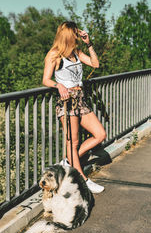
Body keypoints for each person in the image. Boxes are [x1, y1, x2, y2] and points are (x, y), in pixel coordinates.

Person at [43, 21, 106, 194]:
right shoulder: (55, 54)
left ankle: (69, 160)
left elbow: (95, 64)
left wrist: (89, 43)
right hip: (67, 101)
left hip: (81, 99)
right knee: (73, 141)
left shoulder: (77, 52)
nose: (78, 36)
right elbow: (45, 79)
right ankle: (83, 180)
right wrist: (58, 86)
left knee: (100, 134)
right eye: (76, 34)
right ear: (68, 35)